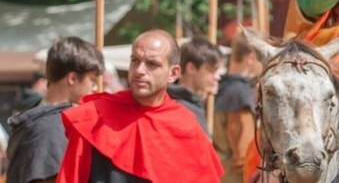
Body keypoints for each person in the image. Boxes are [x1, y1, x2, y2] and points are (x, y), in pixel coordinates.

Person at [57, 29, 223, 182]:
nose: (139, 70)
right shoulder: (94, 117)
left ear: (173, 73)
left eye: (152, 64)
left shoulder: (186, 126)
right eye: (135, 61)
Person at [6, 36, 104, 183]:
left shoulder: (36, 118)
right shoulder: (51, 129)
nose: (95, 87)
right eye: (92, 80)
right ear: (72, 78)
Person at [214, 29, 259, 183]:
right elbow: (244, 154)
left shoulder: (221, 86)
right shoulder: (239, 92)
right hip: (236, 177)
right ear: (251, 57)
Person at [168, 37, 224, 137]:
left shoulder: (192, 104)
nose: (217, 77)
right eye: (211, 70)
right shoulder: (179, 109)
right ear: (191, 68)